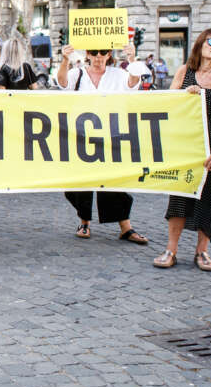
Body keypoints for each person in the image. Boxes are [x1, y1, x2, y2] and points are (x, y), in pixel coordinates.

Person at [154, 30, 211, 271]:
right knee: (180, 198)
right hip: (187, 147)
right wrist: (185, 94)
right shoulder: (185, 72)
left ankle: (202, 252)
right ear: (200, 45)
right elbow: (167, 103)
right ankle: (170, 250)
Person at [56, 43, 148, 244]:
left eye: (103, 52)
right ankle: (84, 222)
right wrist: (64, 59)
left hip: (111, 135)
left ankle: (126, 227)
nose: (99, 56)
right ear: (88, 53)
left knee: (114, 182)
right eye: (94, 52)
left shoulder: (119, 74)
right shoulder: (77, 74)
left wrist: (132, 59)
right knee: (81, 183)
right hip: (82, 135)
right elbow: (62, 83)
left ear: (109, 54)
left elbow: (134, 83)